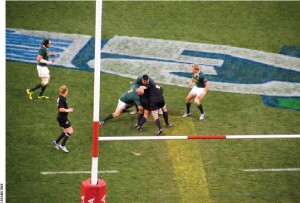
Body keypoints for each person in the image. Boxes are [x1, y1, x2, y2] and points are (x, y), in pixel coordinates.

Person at [53, 85, 74, 153]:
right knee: (70, 131)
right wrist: (69, 110)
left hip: (61, 117)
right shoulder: (62, 99)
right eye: (67, 90)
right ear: (65, 92)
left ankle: (56, 142)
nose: (67, 91)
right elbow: (61, 109)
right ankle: (62, 145)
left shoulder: (61, 97)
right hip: (63, 118)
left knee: (65, 131)